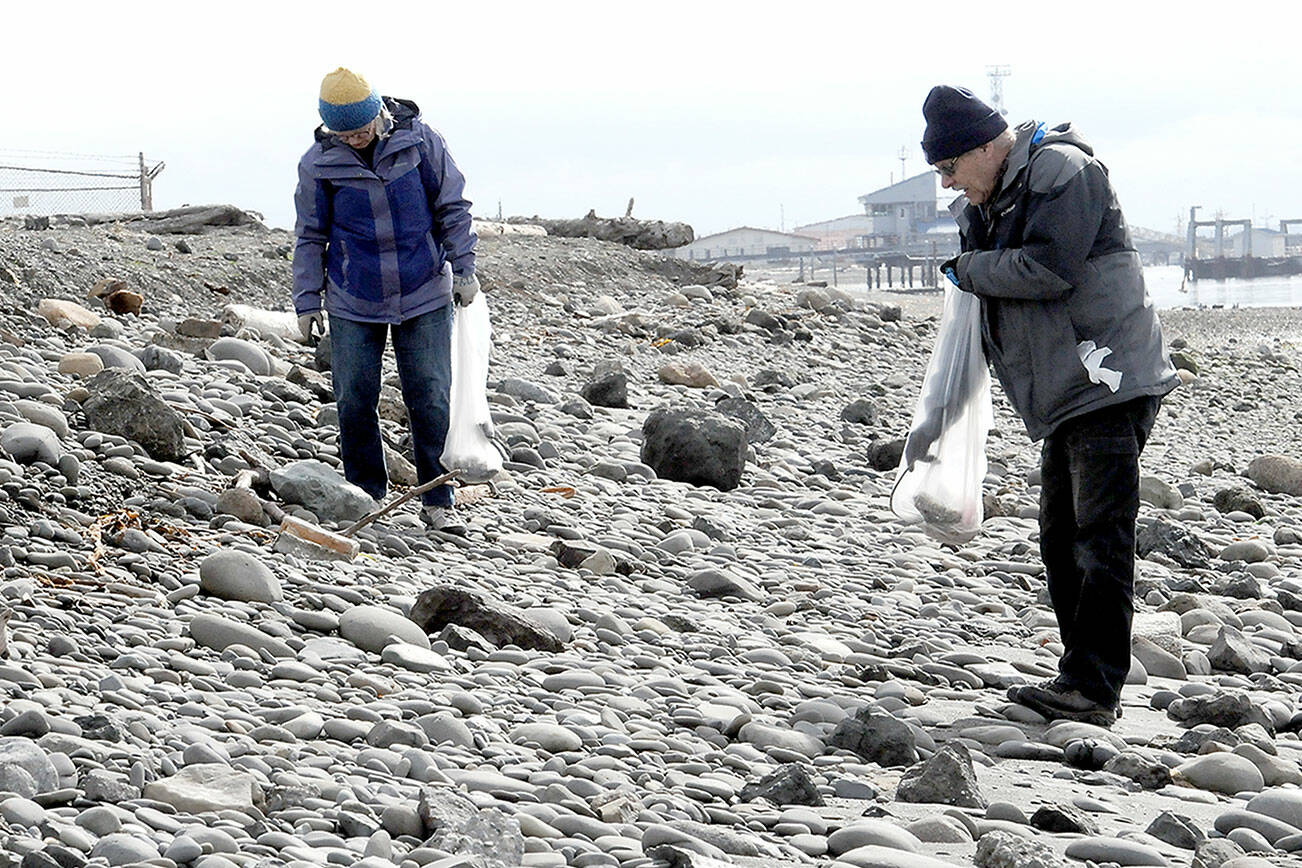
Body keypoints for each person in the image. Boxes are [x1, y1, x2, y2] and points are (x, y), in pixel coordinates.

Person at [914, 85, 1179, 727]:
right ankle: (1079, 677)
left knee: (1099, 535)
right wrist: (934, 427)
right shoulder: (989, 203)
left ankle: (1094, 688)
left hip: (1110, 381)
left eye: (950, 167)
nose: (948, 182)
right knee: (1062, 537)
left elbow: (1050, 268)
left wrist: (970, 268)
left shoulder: (1065, 170)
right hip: (1067, 394)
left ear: (986, 146)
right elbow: (977, 324)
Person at [293, 67, 480, 532]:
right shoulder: (318, 163)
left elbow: (452, 207)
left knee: (431, 396)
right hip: (354, 296)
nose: (355, 140)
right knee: (354, 397)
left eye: (360, 129)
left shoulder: (421, 143)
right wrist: (306, 300)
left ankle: (438, 499)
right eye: (343, 133)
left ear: (378, 113)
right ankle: (367, 496)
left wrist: (465, 268)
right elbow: (310, 235)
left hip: (424, 290)